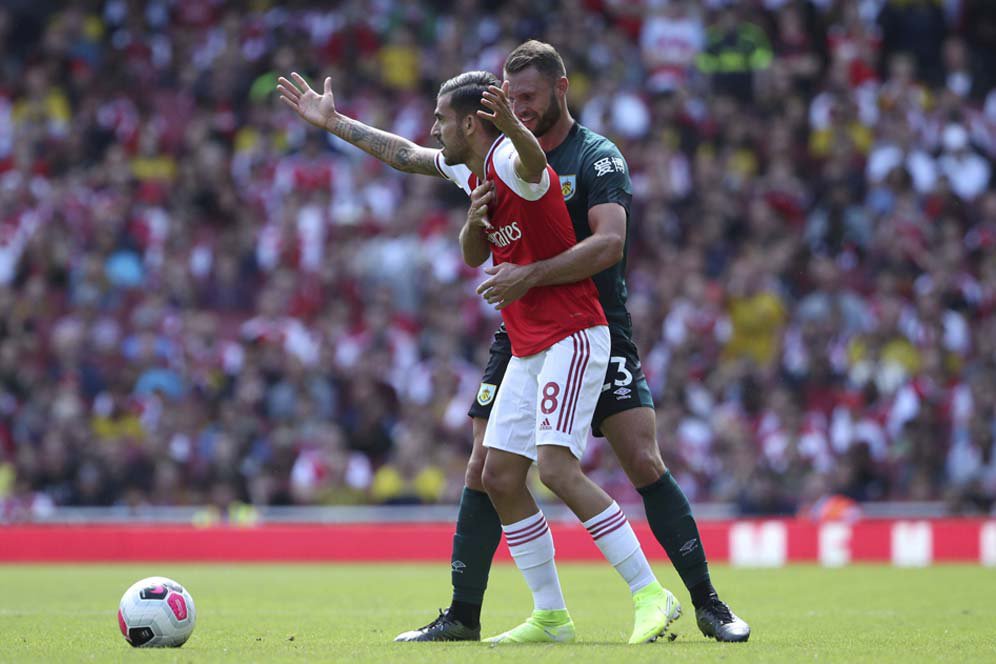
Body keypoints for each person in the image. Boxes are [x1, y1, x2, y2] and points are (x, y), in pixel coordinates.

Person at [276, 40, 750, 643]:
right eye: (510, 97)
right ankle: (479, 615)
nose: (520, 108)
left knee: (637, 460)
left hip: (591, 323)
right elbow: (411, 158)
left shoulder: (584, 158)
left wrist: (529, 271)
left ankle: (702, 601)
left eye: (527, 97)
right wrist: (334, 123)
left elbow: (608, 245)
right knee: (489, 469)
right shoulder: (479, 157)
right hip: (525, 329)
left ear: (561, 88)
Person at [435, 69, 681, 644]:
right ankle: (550, 616)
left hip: (573, 333)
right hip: (529, 344)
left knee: (556, 470)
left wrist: (512, 124)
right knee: (498, 475)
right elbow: (473, 253)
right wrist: (335, 122)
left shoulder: (515, 160)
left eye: (441, 119)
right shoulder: (477, 173)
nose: (433, 128)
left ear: (471, 122)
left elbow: (530, 160)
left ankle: (651, 593)